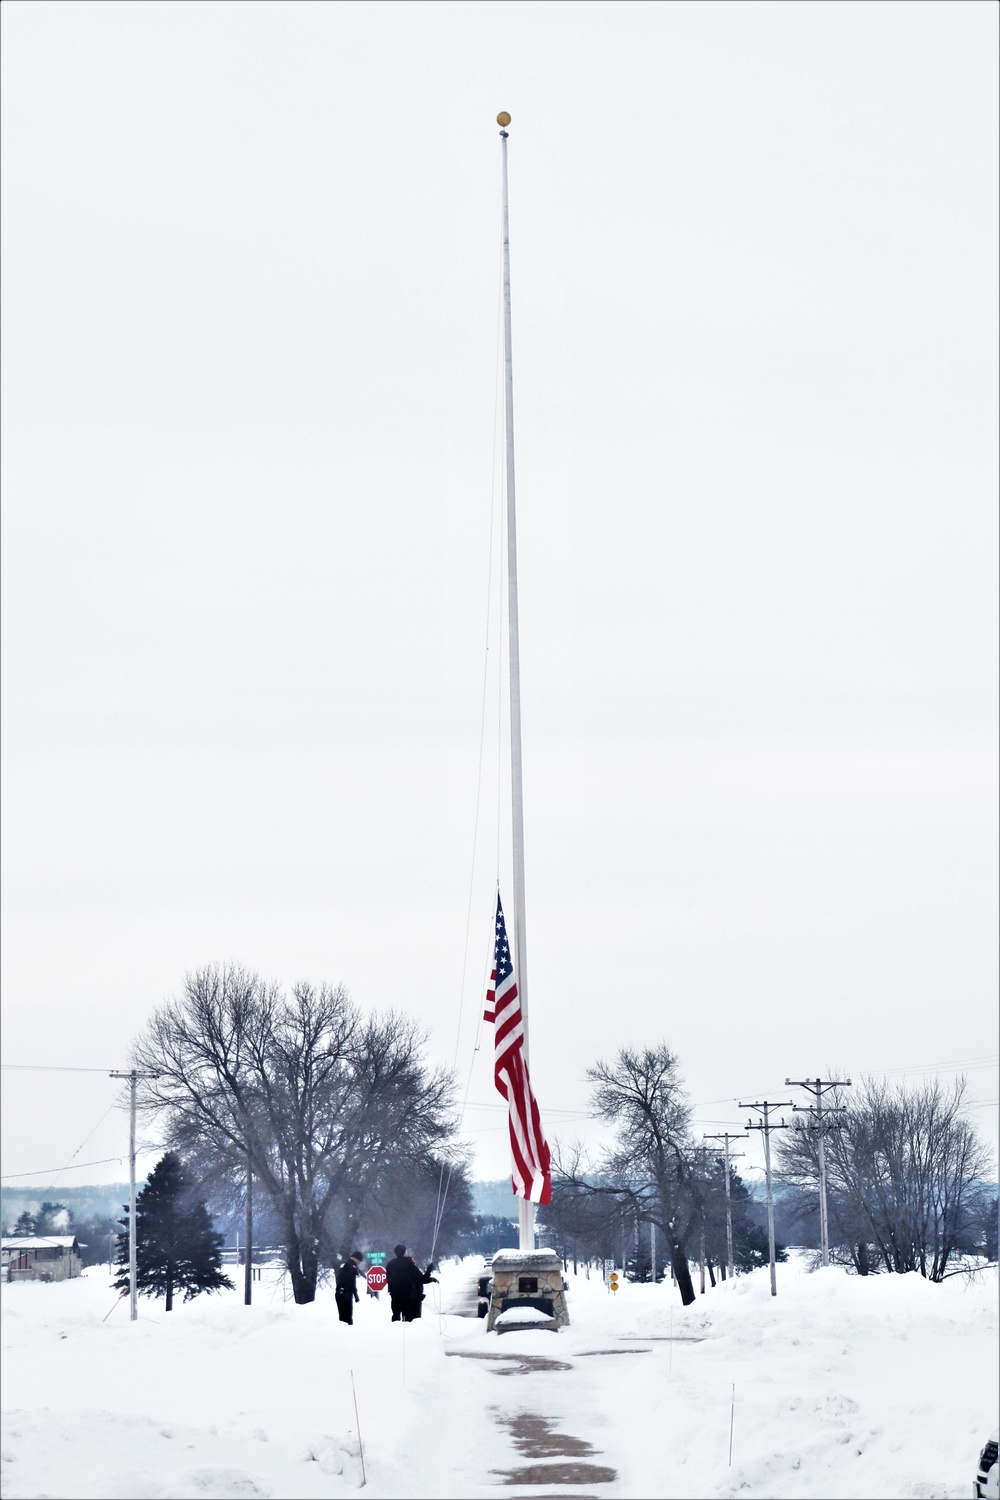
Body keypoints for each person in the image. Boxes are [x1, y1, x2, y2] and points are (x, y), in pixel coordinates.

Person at [385, 1243, 423, 1322]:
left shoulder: (390, 1264)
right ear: (403, 1252)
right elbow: (419, 1277)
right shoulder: (408, 1263)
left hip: (394, 1293)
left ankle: (395, 1330)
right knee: (407, 1316)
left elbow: (388, 1278)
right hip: (407, 1294)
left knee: (396, 1314)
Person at [335, 1251, 365, 1325]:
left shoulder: (343, 1264)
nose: (359, 1263)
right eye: (359, 1261)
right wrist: (356, 1296)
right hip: (346, 1293)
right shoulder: (352, 1266)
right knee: (348, 1318)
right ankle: (348, 1334)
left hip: (339, 1293)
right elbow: (351, 1282)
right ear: (356, 1259)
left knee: (342, 1318)